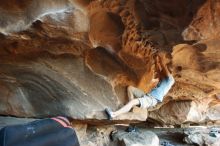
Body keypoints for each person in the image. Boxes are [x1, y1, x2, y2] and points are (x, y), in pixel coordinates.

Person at [105, 56, 175, 119]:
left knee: (132, 102)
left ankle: (113, 114)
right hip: (147, 95)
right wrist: (156, 60)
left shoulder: (170, 79)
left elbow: (164, 67)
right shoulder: (164, 79)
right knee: (130, 88)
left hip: (152, 100)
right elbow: (158, 70)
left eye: (168, 69)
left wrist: (160, 58)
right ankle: (130, 107)